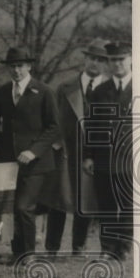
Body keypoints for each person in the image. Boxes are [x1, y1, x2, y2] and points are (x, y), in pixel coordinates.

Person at [0, 47, 60, 262]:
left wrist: (33, 151)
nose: (16, 70)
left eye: (20, 66)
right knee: (13, 208)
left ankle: (29, 253)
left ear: (29, 66)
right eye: (12, 66)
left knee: (24, 207)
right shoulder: (2, 93)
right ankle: (17, 252)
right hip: (9, 162)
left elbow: (54, 127)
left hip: (36, 164)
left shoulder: (44, 91)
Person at [45, 40, 108, 256]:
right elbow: (53, 120)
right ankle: (51, 247)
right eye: (92, 58)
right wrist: (56, 144)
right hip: (65, 152)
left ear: (106, 64)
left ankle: (78, 248)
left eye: (101, 60)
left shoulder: (109, 90)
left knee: (87, 201)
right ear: (85, 59)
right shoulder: (64, 88)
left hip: (94, 154)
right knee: (58, 201)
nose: (95, 63)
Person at [83, 41, 133, 260]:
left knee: (129, 204)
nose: (117, 64)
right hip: (104, 157)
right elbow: (91, 125)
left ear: (130, 59)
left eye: (121, 59)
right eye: (113, 60)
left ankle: (123, 248)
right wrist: (88, 155)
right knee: (106, 205)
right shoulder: (101, 90)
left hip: (133, 158)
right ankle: (107, 248)